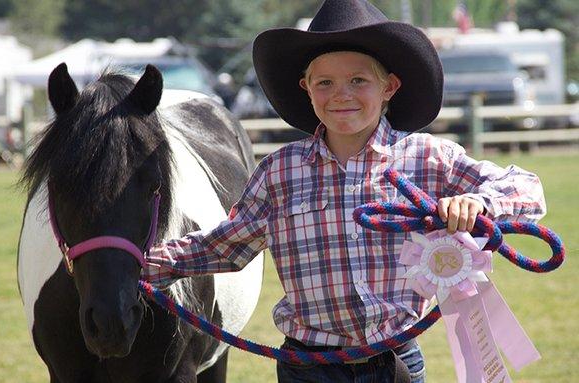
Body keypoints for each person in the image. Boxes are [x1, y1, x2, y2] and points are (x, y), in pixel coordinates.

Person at [142, 1, 546, 382]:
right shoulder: (280, 172)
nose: (342, 94)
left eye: (358, 80)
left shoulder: (427, 158)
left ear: (389, 87)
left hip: (394, 359)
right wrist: (142, 263)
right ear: (306, 88)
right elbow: (224, 245)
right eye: (326, 82)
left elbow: (528, 190)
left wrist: (477, 201)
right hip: (308, 365)